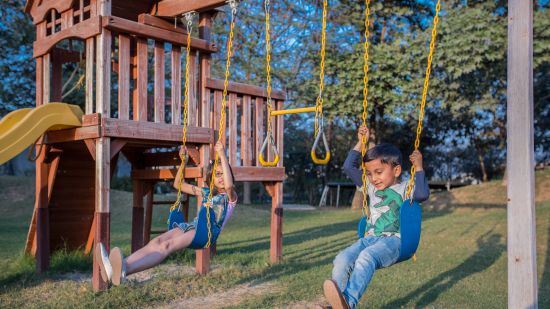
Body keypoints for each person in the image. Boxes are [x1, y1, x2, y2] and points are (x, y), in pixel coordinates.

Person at [95, 141, 237, 286]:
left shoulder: (230, 197)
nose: (220, 177)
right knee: (156, 242)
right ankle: (117, 268)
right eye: (216, 174)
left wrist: (222, 156)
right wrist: (184, 163)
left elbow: (229, 185)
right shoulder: (206, 192)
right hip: (192, 226)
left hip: (206, 232)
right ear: (210, 177)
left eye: (222, 174)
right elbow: (178, 185)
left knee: (166, 246)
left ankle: (125, 270)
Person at [323, 125, 430, 309]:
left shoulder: (405, 187)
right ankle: (337, 305)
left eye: (379, 172)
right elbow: (349, 166)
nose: (373, 178)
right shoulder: (371, 187)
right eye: (370, 173)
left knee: (366, 256)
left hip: (396, 241)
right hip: (370, 237)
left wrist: (419, 167)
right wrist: (360, 142)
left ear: (396, 171)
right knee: (342, 258)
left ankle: (348, 302)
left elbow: (422, 195)